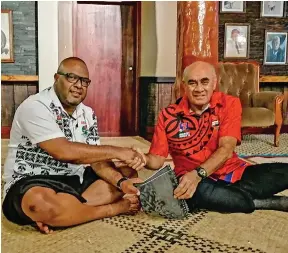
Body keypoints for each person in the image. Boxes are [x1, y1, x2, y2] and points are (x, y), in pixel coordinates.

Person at [2, 57, 145, 234]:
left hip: (75, 179)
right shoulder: (35, 106)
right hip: (33, 180)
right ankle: (107, 209)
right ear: (56, 78)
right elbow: (63, 151)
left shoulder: (88, 113)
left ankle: (68, 213)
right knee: (39, 203)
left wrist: (122, 183)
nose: (79, 85)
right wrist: (117, 151)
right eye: (71, 77)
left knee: (127, 174)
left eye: (85, 81)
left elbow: (96, 161)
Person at [129, 61, 288, 214]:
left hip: (234, 172)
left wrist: (198, 174)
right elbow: (156, 159)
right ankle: (265, 202)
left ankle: (235, 197)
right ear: (184, 86)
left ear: (214, 83)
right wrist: (143, 159)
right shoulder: (168, 116)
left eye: (204, 82)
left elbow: (226, 149)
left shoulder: (229, 104)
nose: (199, 89)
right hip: (194, 181)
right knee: (198, 192)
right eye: (192, 83)